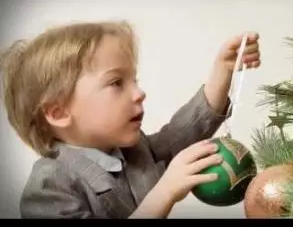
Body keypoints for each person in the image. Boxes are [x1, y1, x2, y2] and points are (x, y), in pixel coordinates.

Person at [0, 21, 261, 218]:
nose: (139, 93)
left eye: (134, 80)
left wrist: (223, 71)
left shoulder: (137, 151)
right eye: (116, 83)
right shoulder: (49, 187)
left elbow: (185, 131)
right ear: (59, 112)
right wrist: (165, 192)